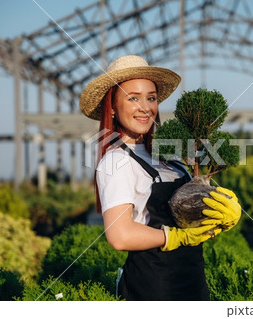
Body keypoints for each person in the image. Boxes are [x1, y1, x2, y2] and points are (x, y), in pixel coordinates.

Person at [79, 55, 241, 301]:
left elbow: (189, 209)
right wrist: (175, 236)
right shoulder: (115, 161)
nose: (146, 107)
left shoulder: (169, 155)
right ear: (112, 107)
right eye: (133, 98)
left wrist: (219, 214)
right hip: (153, 287)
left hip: (192, 280)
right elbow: (119, 236)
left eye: (151, 98)